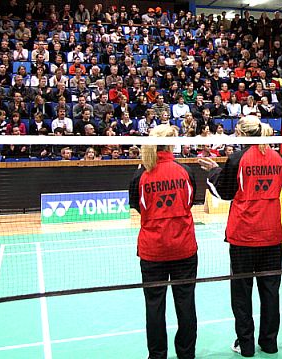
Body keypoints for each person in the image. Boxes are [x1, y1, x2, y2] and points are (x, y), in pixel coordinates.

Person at [200, 116, 282, 357]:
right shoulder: (277, 158)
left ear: (240, 133)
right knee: (270, 290)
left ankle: (245, 345)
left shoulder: (237, 159)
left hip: (244, 235)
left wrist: (215, 171)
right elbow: (279, 186)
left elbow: (224, 192)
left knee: (242, 292)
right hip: (271, 234)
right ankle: (269, 343)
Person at [129, 124, 198, 359]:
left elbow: (139, 207)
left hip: (153, 251)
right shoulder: (185, 171)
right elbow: (189, 202)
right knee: (186, 302)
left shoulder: (140, 175)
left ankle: (157, 355)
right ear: (171, 144)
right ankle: (186, 354)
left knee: (154, 305)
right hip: (184, 249)